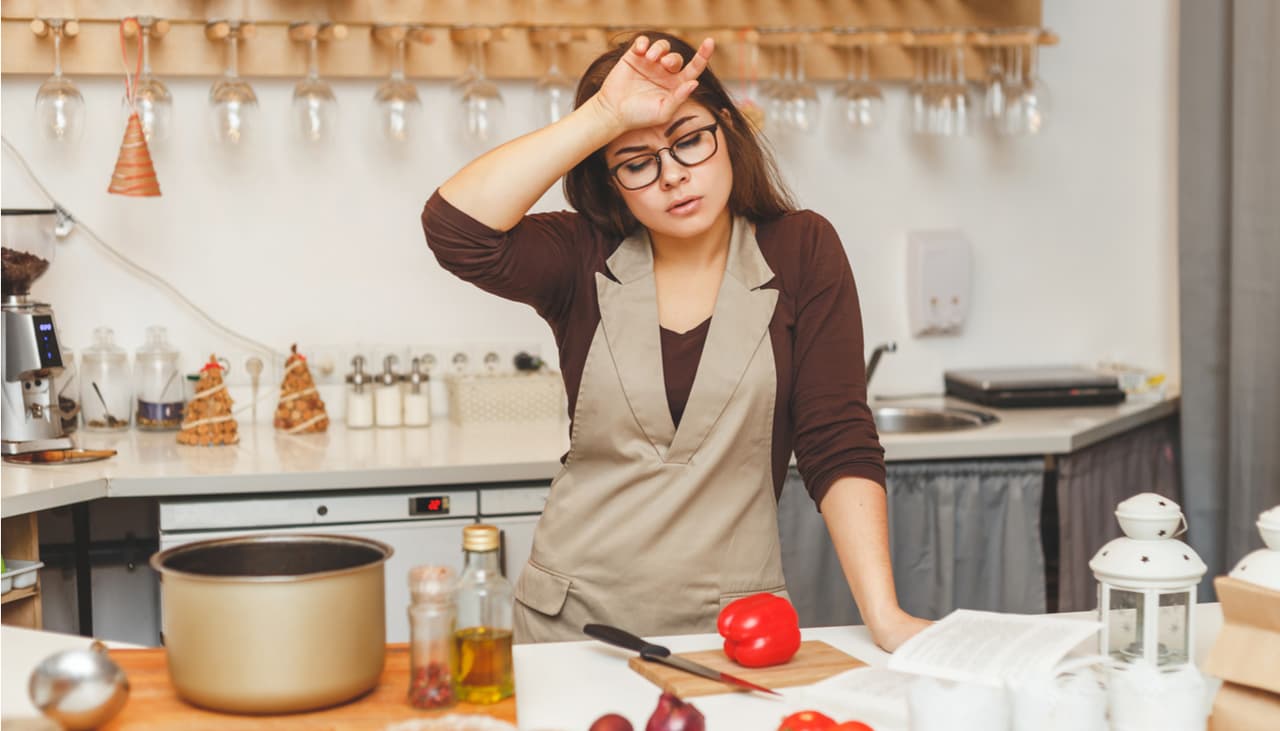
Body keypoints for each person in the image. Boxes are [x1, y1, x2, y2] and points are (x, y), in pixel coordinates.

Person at [422, 31, 929, 650]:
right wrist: (605, 116)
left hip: (735, 628)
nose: (673, 177)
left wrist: (885, 616)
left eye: (689, 141)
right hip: (570, 623)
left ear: (728, 130)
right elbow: (455, 229)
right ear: (611, 182)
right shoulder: (584, 255)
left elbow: (837, 439)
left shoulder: (801, 249)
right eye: (637, 162)